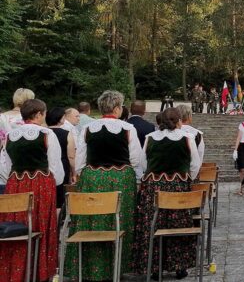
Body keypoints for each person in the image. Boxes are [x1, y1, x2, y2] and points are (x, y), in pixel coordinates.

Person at [66, 90, 145, 281]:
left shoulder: (88, 128)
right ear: (117, 108)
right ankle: (117, 267)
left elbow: (81, 159)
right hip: (121, 178)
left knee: (91, 220)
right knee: (119, 220)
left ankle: (91, 267)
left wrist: (85, 174)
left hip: (92, 177)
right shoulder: (127, 128)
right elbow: (135, 159)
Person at [132, 107, 201, 280]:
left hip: (154, 188)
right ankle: (179, 266)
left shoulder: (150, 138)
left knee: (153, 225)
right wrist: (184, 179)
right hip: (177, 187)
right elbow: (195, 164)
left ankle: (155, 267)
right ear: (179, 121)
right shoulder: (187, 138)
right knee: (178, 224)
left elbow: (142, 163)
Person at [0, 99, 63, 282]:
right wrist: (51, 181)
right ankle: (39, 272)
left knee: (16, 223)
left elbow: (5, 167)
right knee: (40, 226)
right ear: (38, 114)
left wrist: (16, 179)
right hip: (42, 184)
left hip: (16, 184)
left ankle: (15, 271)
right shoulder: (46, 134)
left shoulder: (11, 136)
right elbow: (55, 167)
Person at [47, 107, 78, 209]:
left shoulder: (44, 133)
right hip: (62, 165)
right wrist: (74, 172)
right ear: (60, 119)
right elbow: (71, 156)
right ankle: (58, 220)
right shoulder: (67, 133)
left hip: (46, 166)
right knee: (60, 195)